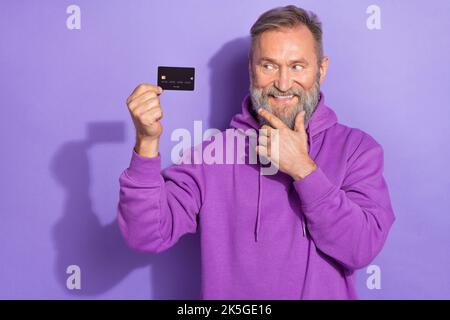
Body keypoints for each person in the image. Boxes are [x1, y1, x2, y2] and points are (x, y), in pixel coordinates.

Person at [117, 5, 395, 299]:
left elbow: (361, 248)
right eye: (269, 65)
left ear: (321, 69)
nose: (283, 83)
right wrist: (147, 143)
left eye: (297, 66)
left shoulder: (358, 150)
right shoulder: (213, 155)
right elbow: (145, 235)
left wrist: (304, 170)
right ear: (252, 68)